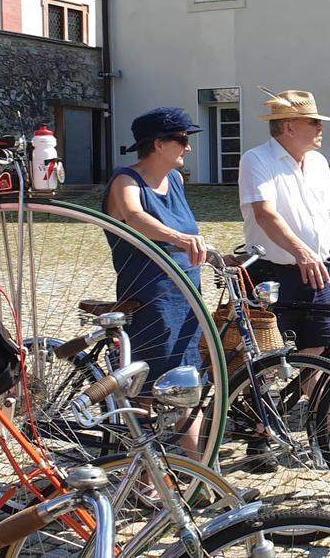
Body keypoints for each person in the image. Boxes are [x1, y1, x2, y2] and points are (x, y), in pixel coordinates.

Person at [238, 89, 330, 468]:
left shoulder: (319, 163)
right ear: (289, 126)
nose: (320, 129)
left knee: (319, 345)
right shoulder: (257, 160)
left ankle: (326, 425)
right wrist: (301, 252)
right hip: (272, 270)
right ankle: (258, 435)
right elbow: (265, 215)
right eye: (314, 123)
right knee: (265, 355)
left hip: (317, 268)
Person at [102, 107, 207, 457]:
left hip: (187, 292)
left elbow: (188, 231)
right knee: (147, 386)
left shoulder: (175, 181)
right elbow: (134, 217)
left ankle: (203, 474)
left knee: (188, 380)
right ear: (159, 144)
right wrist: (178, 238)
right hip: (151, 297)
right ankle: (143, 478)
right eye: (182, 139)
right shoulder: (126, 182)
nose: (188, 148)